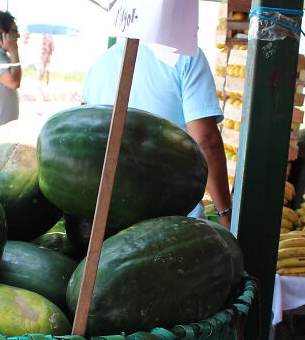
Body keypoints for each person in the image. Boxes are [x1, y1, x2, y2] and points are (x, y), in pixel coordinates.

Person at [81, 41, 233, 229]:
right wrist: (224, 213)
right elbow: (205, 141)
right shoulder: (186, 56)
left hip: (110, 217)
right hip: (173, 218)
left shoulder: (100, 64)